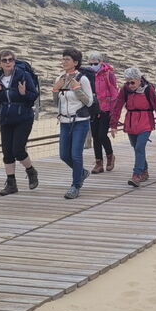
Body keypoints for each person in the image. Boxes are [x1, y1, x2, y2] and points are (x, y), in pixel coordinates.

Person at [0, 49, 39, 196]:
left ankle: (31, 171)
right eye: (4, 60)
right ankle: (11, 183)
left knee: (18, 150)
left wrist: (24, 93)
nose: (7, 62)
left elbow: (33, 97)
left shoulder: (23, 75)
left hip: (23, 117)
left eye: (10, 60)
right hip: (5, 118)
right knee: (7, 151)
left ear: (14, 61)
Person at [110, 68, 156, 188]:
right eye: (127, 82)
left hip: (145, 121)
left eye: (132, 82)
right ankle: (144, 171)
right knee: (136, 147)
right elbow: (118, 105)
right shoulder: (125, 89)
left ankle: (136, 175)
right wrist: (113, 124)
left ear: (139, 79)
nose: (130, 85)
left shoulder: (148, 89)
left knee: (140, 146)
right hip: (130, 121)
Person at [53, 48, 95, 199]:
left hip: (80, 121)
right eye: (63, 59)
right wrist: (55, 90)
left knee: (76, 155)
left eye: (67, 59)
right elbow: (56, 102)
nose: (64, 62)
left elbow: (89, 102)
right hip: (64, 121)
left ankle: (75, 185)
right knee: (64, 155)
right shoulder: (60, 77)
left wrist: (77, 89)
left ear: (75, 63)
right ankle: (82, 172)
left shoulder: (82, 79)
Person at [85, 51, 118, 174]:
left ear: (101, 62)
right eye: (91, 63)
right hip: (93, 108)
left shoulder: (108, 74)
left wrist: (113, 110)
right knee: (95, 135)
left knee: (102, 134)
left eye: (96, 63)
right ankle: (98, 163)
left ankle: (110, 156)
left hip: (106, 108)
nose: (93, 65)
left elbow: (114, 92)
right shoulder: (88, 75)